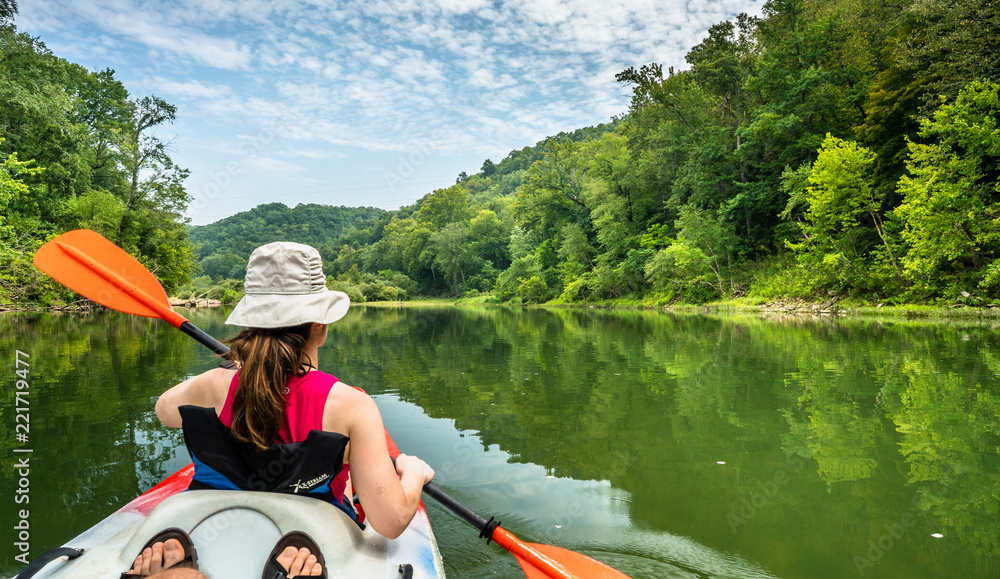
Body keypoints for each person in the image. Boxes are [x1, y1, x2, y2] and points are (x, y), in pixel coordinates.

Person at [125, 241, 435, 578]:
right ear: (321, 327)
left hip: (207, 519)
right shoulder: (351, 406)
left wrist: (230, 372)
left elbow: (164, 411)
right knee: (345, 480)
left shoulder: (212, 385)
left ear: (251, 324)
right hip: (309, 536)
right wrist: (413, 472)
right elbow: (389, 522)